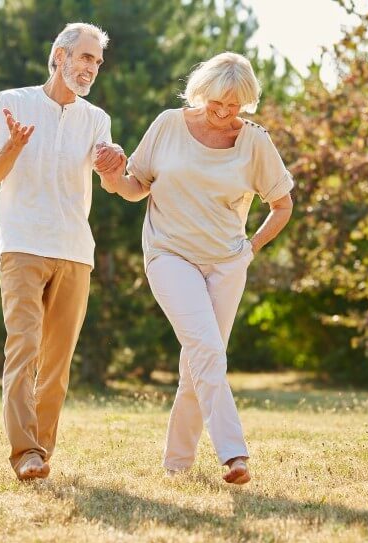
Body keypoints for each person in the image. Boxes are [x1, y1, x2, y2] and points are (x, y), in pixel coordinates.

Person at [95, 52, 294, 484]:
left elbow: (282, 205)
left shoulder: (255, 140)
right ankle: (233, 453)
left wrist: (251, 249)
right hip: (170, 254)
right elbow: (134, 188)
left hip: (227, 263)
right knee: (206, 348)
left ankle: (178, 463)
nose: (223, 114)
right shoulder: (169, 124)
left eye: (233, 107)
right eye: (216, 104)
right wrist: (111, 177)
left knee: (197, 362)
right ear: (200, 93)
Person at [0, 23, 122, 480]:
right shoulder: (12, 102)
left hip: (75, 250)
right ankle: (24, 453)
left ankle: (41, 450)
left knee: (57, 362)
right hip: (22, 245)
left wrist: (114, 162)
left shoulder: (96, 118)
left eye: (96, 61)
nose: (91, 68)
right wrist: (15, 145)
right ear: (58, 55)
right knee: (24, 348)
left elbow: (109, 178)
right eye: (84, 57)